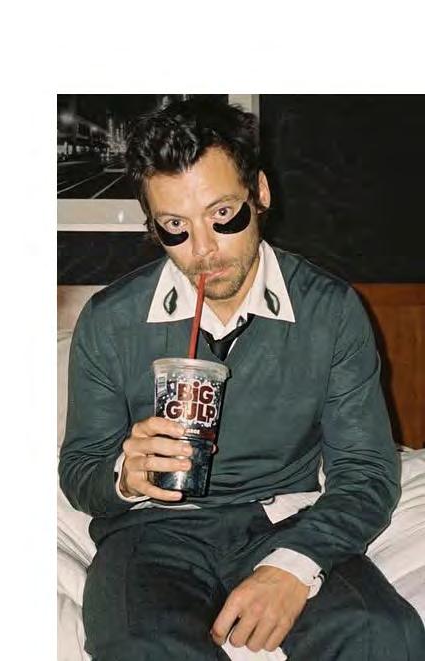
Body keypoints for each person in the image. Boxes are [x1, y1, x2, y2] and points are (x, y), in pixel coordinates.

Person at [58, 97, 425, 660]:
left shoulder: (329, 311)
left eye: (223, 214)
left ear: (260, 193)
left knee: (381, 634)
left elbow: (367, 471)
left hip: (286, 517)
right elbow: (81, 470)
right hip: (151, 531)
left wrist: (293, 565)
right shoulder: (111, 321)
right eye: (175, 227)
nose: (204, 250)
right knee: (142, 647)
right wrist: (125, 477)